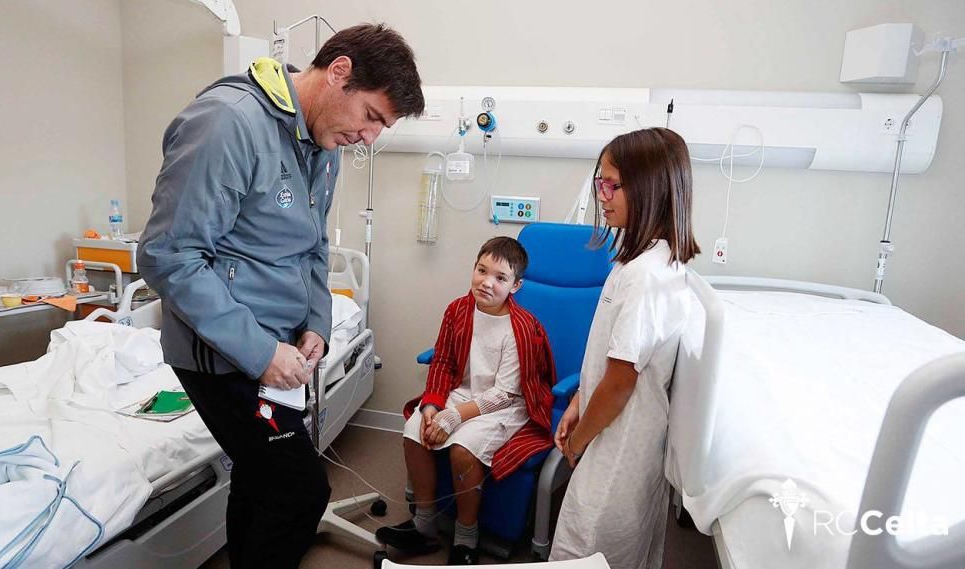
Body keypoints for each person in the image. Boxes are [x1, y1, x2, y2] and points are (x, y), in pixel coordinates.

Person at [136, 24, 424, 568]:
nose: (370, 138)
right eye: (371, 116)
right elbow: (168, 255)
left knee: (260, 478)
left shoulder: (322, 144)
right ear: (339, 72)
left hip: (279, 346)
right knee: (300, 491)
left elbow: (312, 245)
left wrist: (316, 320)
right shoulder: (229, 123)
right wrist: (261, 353)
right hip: (223, 353)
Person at [550, 128, 700, 568]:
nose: (602, 194)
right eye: (600, 182)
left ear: (650, 187)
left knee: (588, 550)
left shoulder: (647, 277)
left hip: (618, 451)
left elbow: (620, 382)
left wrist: (577, 442)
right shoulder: (638, 262)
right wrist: (580, 397)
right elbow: (611, 355)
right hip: (613, 433)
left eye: (612, 184)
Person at [376, 237, 555, 565]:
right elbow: (443, 362)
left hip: (506, 404)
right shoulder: (457, 310)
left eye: (500, 278)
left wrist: (454, 417)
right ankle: (425, 525)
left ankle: (466, 537)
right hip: (463, 393)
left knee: (463, 449)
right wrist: (432, 405)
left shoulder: (523, 328)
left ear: (516, 286)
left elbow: (505, 393)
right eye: (481, 270)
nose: (487, 282)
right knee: (415, 430)